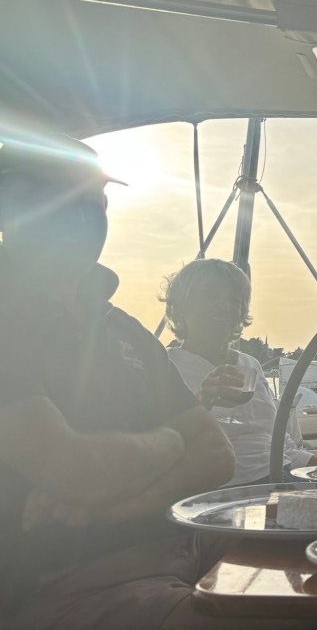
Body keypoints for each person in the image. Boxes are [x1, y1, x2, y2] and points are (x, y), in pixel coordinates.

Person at [0, 135, 237, 627]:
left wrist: (121, 504)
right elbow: (74, 468)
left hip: (181, 545)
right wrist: (170, 442)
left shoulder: (121, 327)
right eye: (67, 200)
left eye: (97, 201)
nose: (89, 217)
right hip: (67, 582)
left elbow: (217, 454)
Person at [161, 258, 317, 486]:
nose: (224, 306)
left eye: (234, 300)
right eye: (210, 295)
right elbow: (160, 449)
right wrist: (201, 401)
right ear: (180, 306)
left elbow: (283, 450)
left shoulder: (251, 365)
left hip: (283, 480)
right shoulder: (165, 366)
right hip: (219, 491)